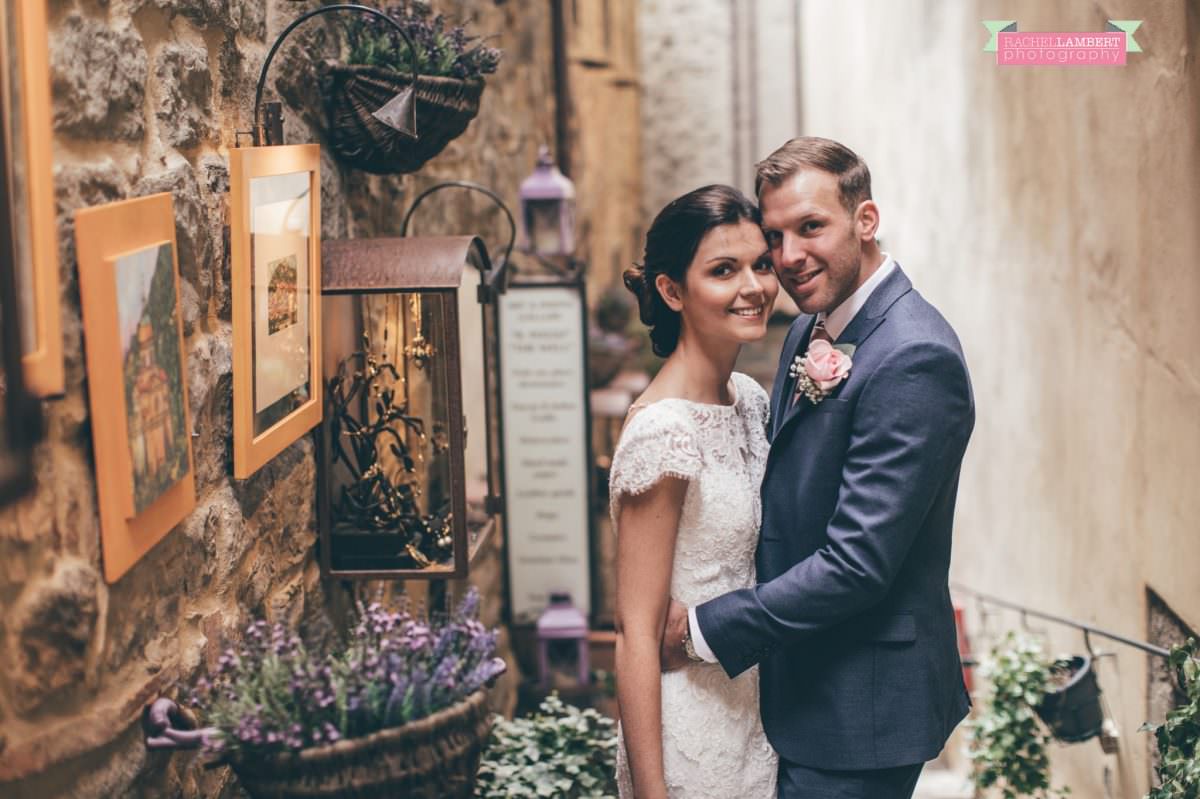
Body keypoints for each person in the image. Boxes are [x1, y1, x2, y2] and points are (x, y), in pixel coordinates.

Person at [659, 137, 976, 799]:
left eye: (811, 227)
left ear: (866, 220)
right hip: (802, 680)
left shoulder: (915, 355)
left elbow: (857, 562)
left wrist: (706, 626)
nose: (789, 256)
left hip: (860, 707)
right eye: (775, 234)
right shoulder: (811, 328)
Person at [611, 184, 781, 798]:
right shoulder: (664, 431)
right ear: (672, 290)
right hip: (689, 739)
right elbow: (635, 632)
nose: (753, 286)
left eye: (761, 264)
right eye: (723, 270)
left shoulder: (750, 401)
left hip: (753, 721)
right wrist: (653, 792)